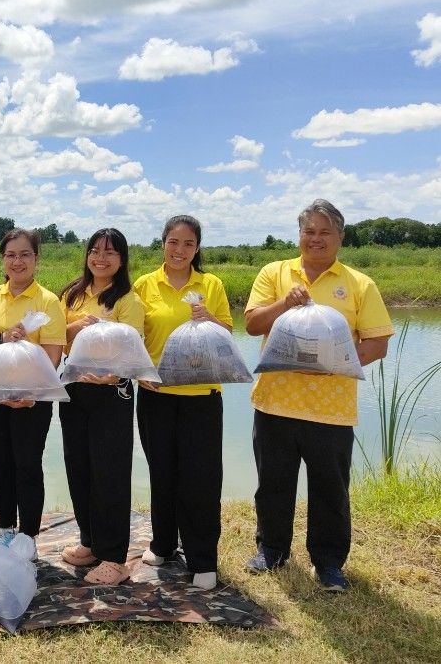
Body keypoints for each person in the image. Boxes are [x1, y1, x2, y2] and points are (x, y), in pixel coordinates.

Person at [244, 199, 393, 591]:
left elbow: (377, 343)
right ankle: (272, 550)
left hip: (332, 409)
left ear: (340, 237)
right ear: (299, 235)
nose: (316, 239)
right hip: (275, 401)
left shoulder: (360, 283)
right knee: (273, 482)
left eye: (325, 231)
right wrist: (284, 302)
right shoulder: (274, 272)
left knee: (330, 487)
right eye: (309, 231)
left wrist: (333, 363)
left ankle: (328, 563)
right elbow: (252, 324)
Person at [133, 215, 232, 591]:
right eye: (173, 242)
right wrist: (139, 371)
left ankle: (203, 558)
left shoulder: (211, 285)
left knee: (201, 480)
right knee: (163, 472)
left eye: (188, 244)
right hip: (156, 395)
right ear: (163, 244)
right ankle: (162, 543)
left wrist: (209, 319)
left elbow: (226, 335)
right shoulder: (145, 284)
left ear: (197, 248)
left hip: (202, 397)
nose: (180, 250)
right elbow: (134, 336)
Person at [0, 228, 66, 551]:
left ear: (36, 259)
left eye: (25, 254)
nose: (18, 261)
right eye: (11, 254)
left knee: (28, 464)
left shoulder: (48, 301)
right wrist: (1, 337)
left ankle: (29, 535)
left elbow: (52, 356)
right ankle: (6, 527)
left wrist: (32, 394)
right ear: (2, 259)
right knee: (1, 464)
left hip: (32, 398)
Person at [57, 228, 144, 585]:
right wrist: (76, 326)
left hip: (113, 392)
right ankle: (90, 542)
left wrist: (112, 375)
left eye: (110, 253)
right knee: (79, 467)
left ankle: (114, 557)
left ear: (122, 259)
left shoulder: (128, 299)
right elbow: (57, 342)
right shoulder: (71, 294)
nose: (101, 259)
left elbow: (133, 348)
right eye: (95, 251)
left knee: (110, 472)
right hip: (75, 388)